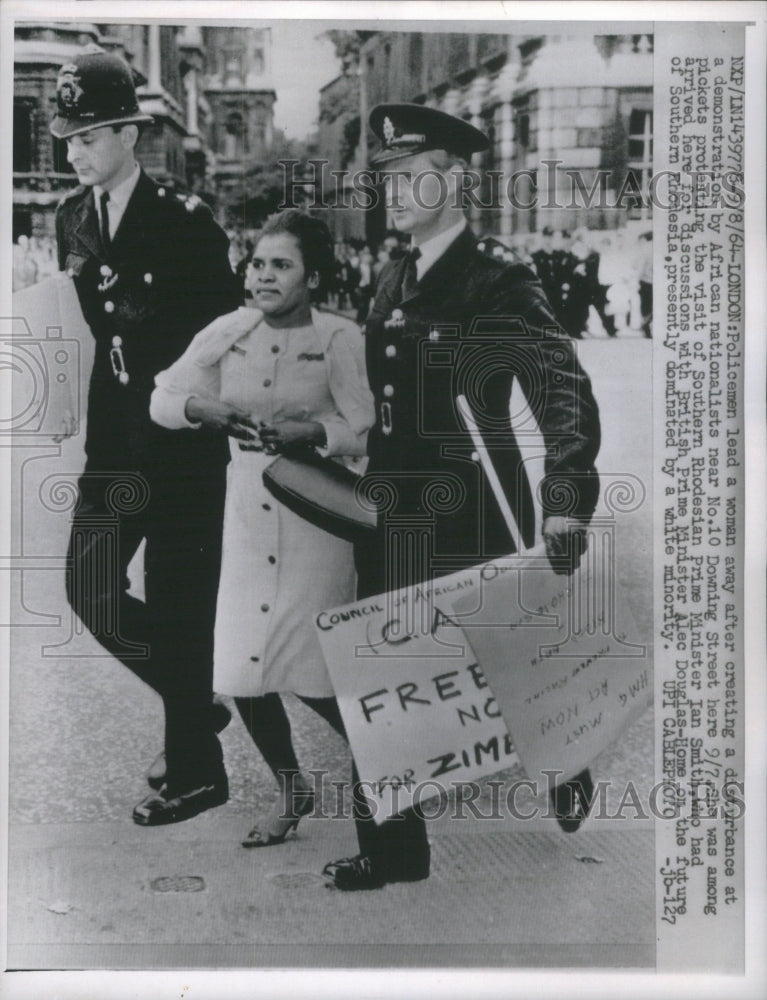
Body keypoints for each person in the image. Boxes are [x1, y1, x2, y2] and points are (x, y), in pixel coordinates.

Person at [319, 103, 603, 891]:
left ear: (455, 179)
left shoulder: (495, 277)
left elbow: (559, 387)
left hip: (478, 508)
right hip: (393, 512)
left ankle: (566, 752)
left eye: (410, 177)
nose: (395, 194)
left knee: (505, 673)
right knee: (381, 677)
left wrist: (566, 494)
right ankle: (393, 849)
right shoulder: (391, 274)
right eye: (387, 180)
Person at [51, 46, 242, 826]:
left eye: (90, 135)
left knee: (177, 605)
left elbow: (229, 334)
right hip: (112, 447)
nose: (77, 151)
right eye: (68, 138)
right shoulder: (72, 218)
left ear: (132, 132)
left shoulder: (184, 223)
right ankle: (195, 700)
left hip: (183, 452)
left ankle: (198, 772)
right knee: (89, 588)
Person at [149, 210, 375, 850]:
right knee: (242, 666)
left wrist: (316, 433)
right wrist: (203, 408)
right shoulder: (228, 331)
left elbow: (366, 426)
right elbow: (161, 398)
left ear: (312, 276)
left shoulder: (339, 338)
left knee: (316, 666)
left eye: (281, 265)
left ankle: (389, 762)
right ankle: (292, 787)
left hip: (316, 517)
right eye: (257, 263)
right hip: (247, 512)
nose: (264, 275)